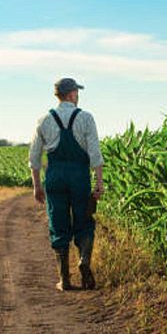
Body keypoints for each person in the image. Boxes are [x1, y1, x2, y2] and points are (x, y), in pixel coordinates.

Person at [29, 78, 104, 291]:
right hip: (79, 176)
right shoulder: (86, 118)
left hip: (55, 177)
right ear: (71, 94)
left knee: (58, 224)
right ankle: (84, 261)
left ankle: (65, 279)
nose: (78, 96)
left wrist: (37, 186)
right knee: (84, 220)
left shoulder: (44, 120)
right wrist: (99, 183)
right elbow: (95, 155)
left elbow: (34, 158)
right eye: (77, 93)